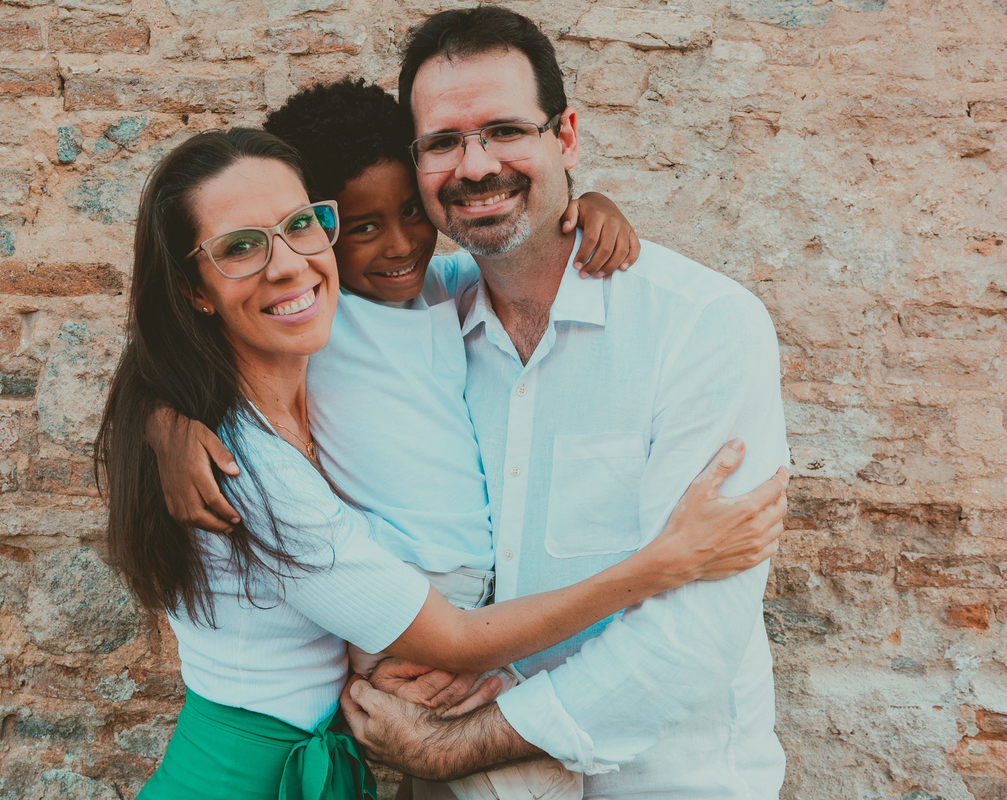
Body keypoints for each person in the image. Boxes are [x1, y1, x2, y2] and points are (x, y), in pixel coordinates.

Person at [95, 128, 787, 799]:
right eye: (240, 247)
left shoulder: (329, 348)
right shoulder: (246, 469)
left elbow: (485, 265)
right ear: (194, 289)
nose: (285, 263)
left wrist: (584, 212)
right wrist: (662, 565)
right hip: (238, 780)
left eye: (301, 226)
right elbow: (453, 639)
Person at [338, 7, 792, 800]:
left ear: (567, 137)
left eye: (506, 130)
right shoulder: (421, 324)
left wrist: (454, 747)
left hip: (660, 784)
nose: (475, 166)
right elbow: (244, 313)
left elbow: (695, 632)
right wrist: (168, 419)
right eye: (443, 142)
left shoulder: (702, 326)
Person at [146, 78, 638, 799]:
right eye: (364, 226)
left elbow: (519, 252)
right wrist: (162, 421)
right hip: (404, 618)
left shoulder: (435, 288)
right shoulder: (314, 325)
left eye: (411, 212)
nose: (399, 242)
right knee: (535, 773)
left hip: (444, 609)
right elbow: (170, 338)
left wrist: (584, 206)